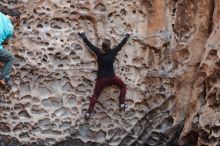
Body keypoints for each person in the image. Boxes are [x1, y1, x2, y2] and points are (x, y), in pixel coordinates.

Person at [78, 31, 131, 120]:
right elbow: (121, 44)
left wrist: (83, 36)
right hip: (112, 77)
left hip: (102, 79)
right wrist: (127, 35)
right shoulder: (113, 52)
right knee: (123, 86)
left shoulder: (99, 52)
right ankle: (121, 104)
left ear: (102, 46)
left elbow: (89, 45)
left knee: (95, 96)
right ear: (109, 46)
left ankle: (88, 113)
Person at [0, 9, 21, 87]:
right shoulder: (10, 28)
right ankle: (3, 78)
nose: (15, 22)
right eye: (16, 20)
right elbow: (5, 40)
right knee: (10, 58)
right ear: (15, 17)